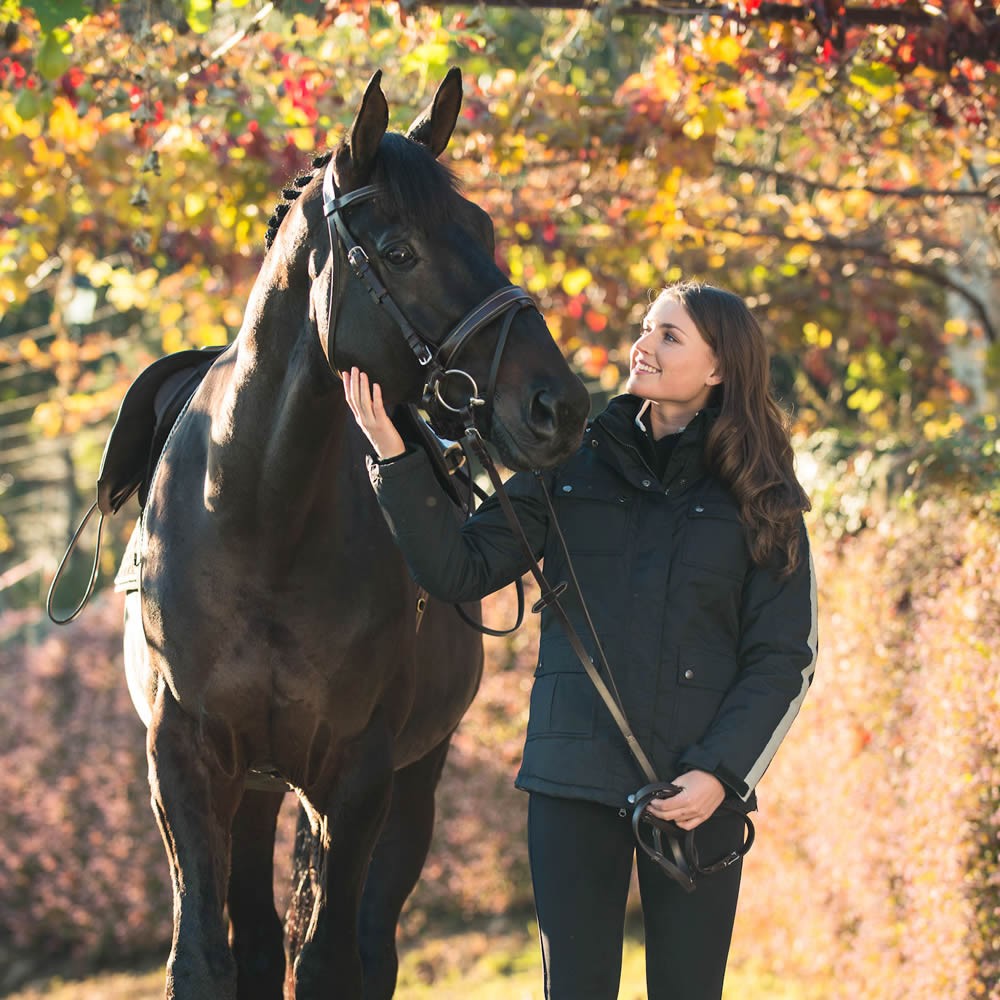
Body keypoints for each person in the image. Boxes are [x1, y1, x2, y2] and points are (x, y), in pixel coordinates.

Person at [343, 280, 818, 1000]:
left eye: (670, 336)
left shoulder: (762, 495)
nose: (644, 345)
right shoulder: (569, 464)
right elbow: (457, 568)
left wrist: (721, 776)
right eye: (647, 326)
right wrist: (393, 455)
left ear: (719, 369)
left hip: (699, 794)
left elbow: (783, 659)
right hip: (571, 781)